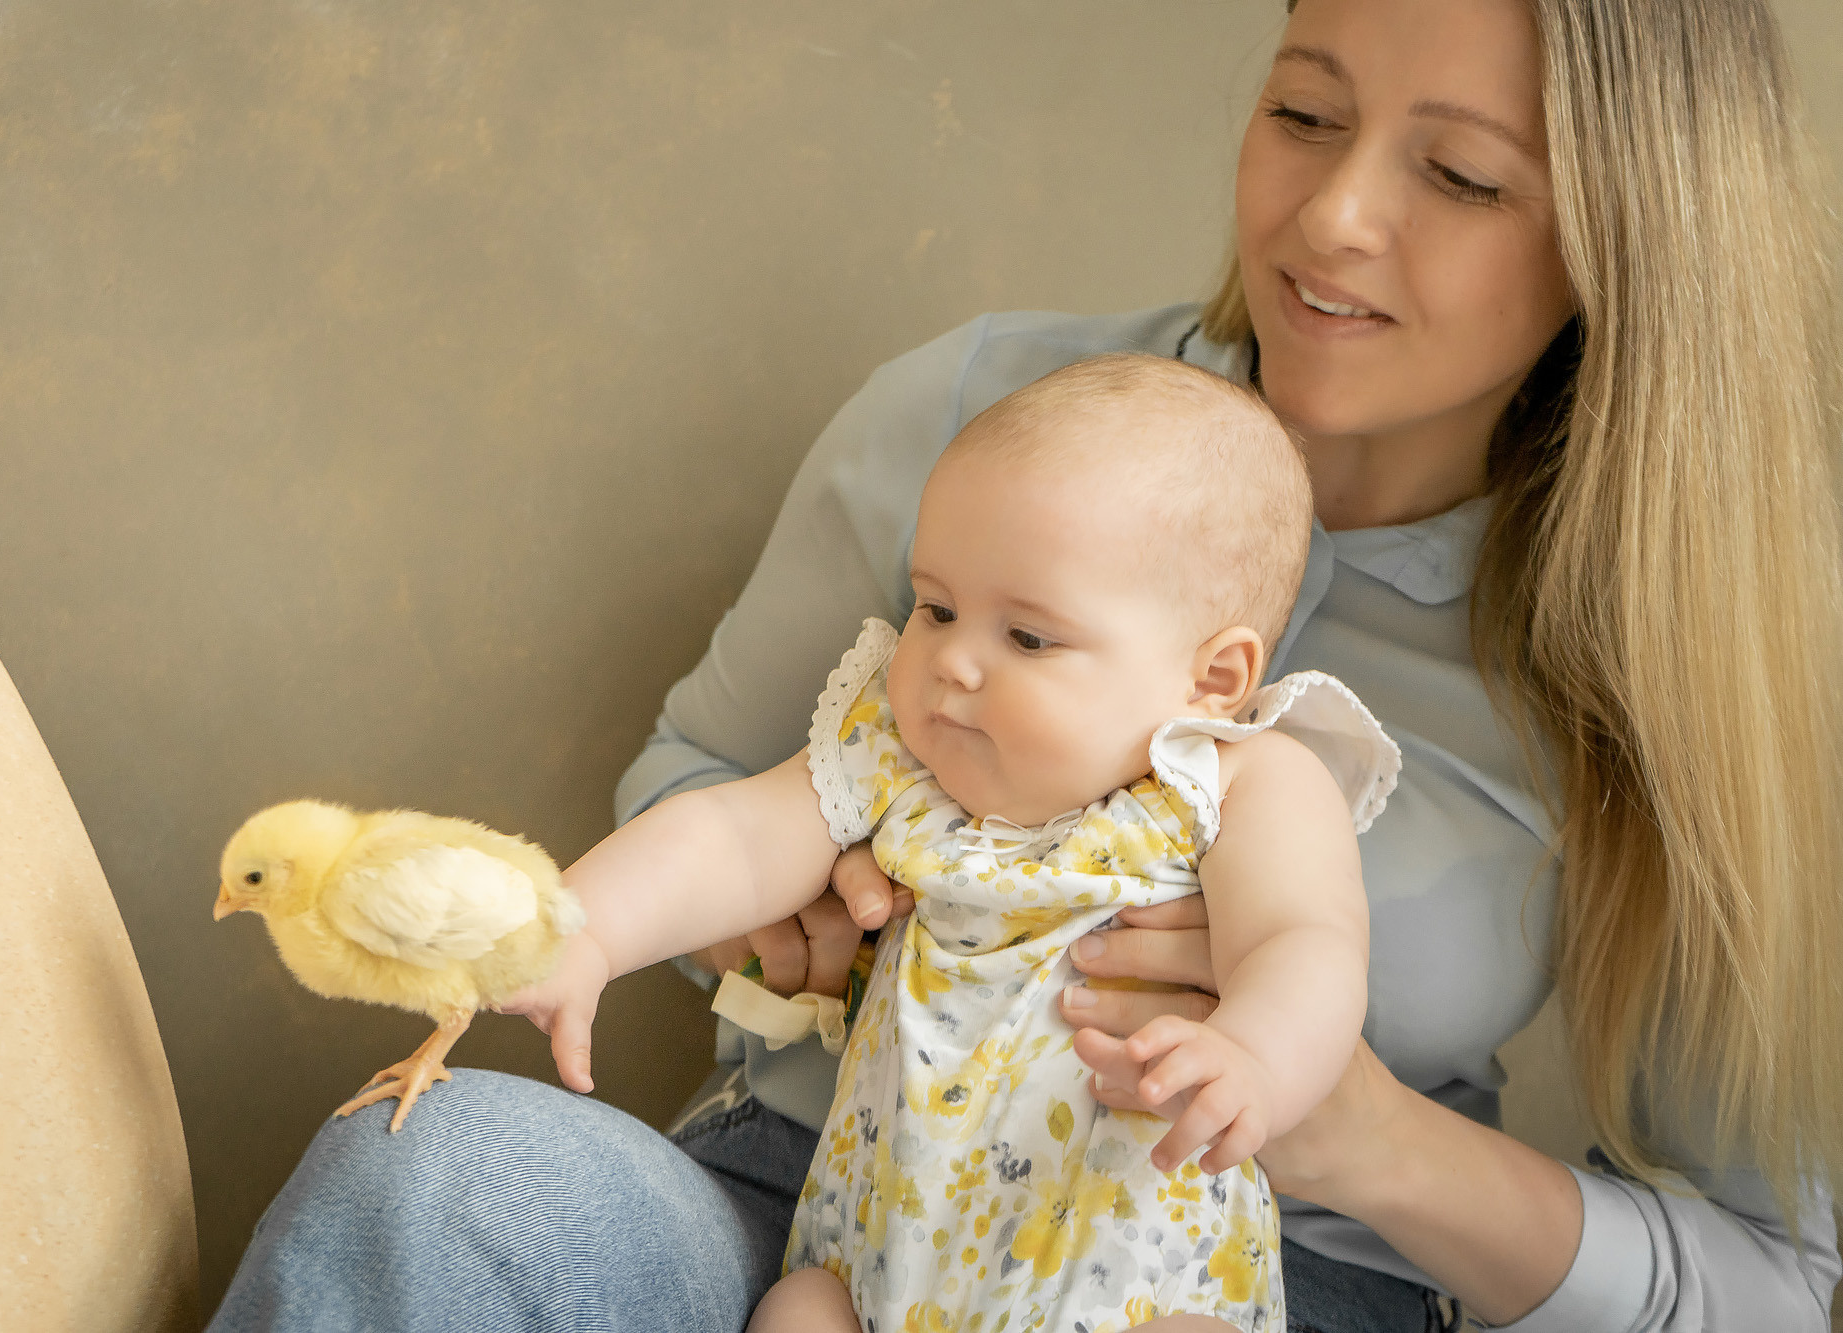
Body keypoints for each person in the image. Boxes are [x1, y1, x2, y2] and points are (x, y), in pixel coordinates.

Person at [207, 0, 1842, 1329]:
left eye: (1466, 177)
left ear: (1622, 242)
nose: (1334, 216)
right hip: (830, 1209)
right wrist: (768, 924)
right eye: (1305, 112)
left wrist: (1359, 1125)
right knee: (433, 1172)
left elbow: (1776, 1282)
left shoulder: (1667, 677)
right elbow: (712, 793)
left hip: (1217, 1273)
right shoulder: (978, 424)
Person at [503, 354, 1402, 1332]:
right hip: (884, 1268)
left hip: (1123, 1278)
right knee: (799, 1311)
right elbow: (733, 838)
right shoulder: (895, 755)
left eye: (1027, 638)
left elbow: (1303, 942)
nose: (951, 662)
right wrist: (582, 930)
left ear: (1212, 679)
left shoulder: (1235, 779)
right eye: (934, 607)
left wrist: (1256, 1059)